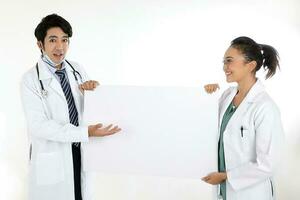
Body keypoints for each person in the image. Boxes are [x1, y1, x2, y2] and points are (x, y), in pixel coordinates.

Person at [21, 14, 121, 200]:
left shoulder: (77, 70)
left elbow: (89, 110)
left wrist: (91, 93)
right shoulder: (30, 80)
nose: (60, 47)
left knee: (80, 194)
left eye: (64, 40)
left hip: (81, 151)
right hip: (54, 156)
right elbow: (39, 125)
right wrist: (85, 132)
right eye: (53, 40)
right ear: (40, 44)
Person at [202, 36, 284, 200]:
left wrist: (227, 176)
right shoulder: (226, 96)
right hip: (224, 192)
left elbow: (268, 164)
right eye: (224, 62)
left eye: (229, 61)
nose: (225, 67)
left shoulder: (264, 107)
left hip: (251, 193)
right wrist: (206, 97)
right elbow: (207, 128)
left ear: (251, 65)